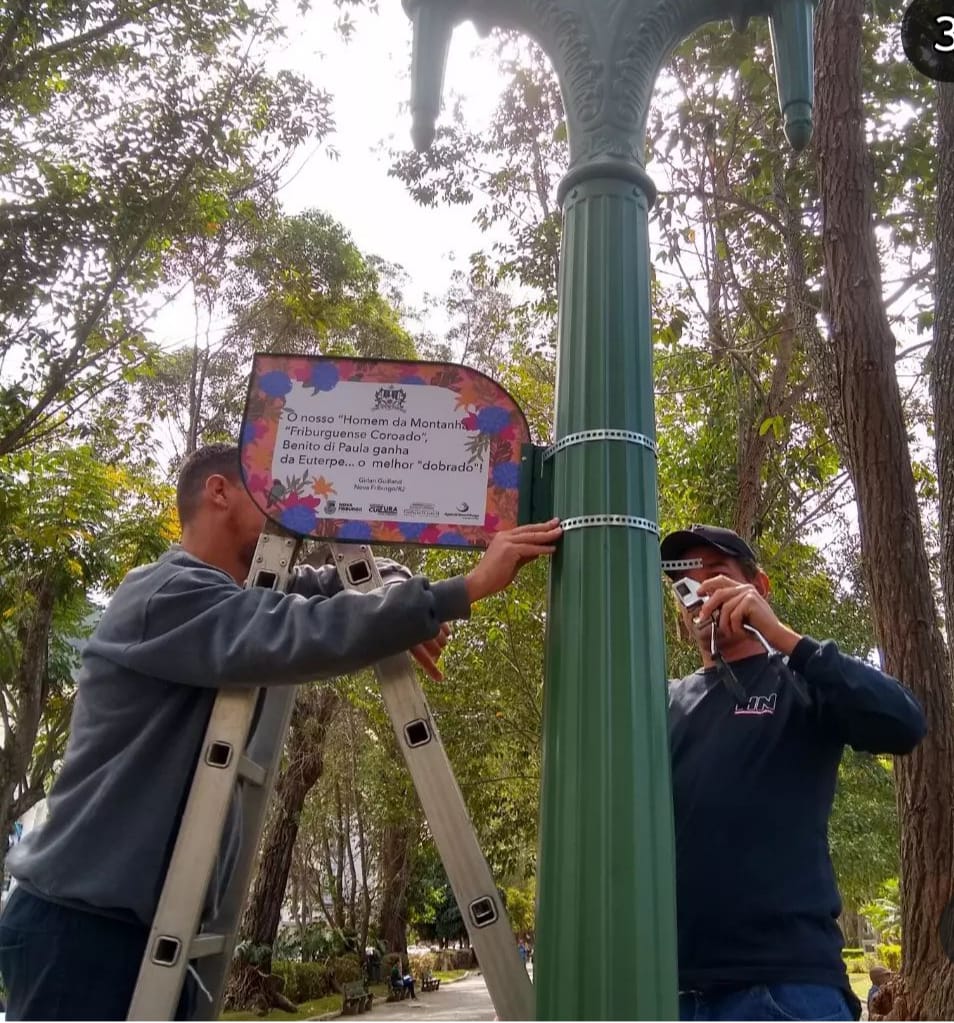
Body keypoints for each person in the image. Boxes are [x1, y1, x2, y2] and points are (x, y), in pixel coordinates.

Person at [0, 444, 562, 1021]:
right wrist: (461, 590)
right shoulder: (161, 593)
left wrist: (401, 598)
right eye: (263, 487)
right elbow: (294, 627)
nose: (281, 506)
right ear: (218, 491)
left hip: (152, 931)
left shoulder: (236, 596)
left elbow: (320, 589)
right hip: (80, 928)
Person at [661, 524, 926, 1023]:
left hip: (787, 990)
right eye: (687, 584)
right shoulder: (666, 703)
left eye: (716, 576)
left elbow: (905, 724)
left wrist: (784, 637)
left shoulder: (802, 682)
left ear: (757, 588)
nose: (701, 594)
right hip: (674, 993)